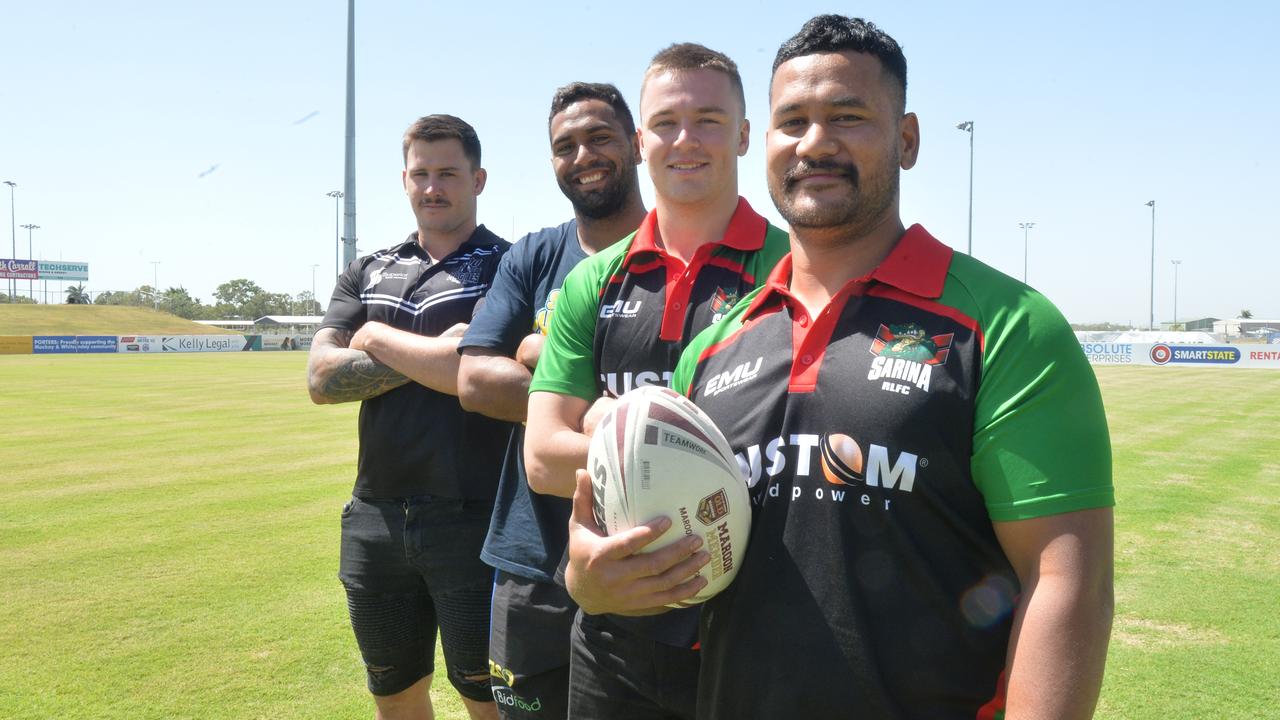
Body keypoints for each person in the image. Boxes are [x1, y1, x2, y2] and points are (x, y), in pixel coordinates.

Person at [565, 15, 1116, 719]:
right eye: (792, 121)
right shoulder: (718, 344)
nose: (814, 143)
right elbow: (684, 541)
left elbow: (1066, 579)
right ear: (765, 144)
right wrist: (594, 581)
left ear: (906, 139)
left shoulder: (1008, 327)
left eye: (847, 117)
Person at [525, 44, 790, 720]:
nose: (686, 140)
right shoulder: (593, 280)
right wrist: (641, 433)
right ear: (642, 140)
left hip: (755, 630)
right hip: (616, 634)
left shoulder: (794, 268)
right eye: (666, 122)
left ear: (743, 134)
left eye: (708, 119)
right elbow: (542, 457)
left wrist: (612, 423)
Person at [454, 81, 648, 719]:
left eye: (599, 137)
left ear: (638, 144)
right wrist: (589, 391)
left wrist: (540, 354)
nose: (583, 154)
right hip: (531, 559)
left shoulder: (684, 253)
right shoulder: (534, 254)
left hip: (653, 552)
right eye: (565, 145)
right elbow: (476, 380)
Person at [308, 114, 510, 720]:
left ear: (478, 178)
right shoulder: (368, 268)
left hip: (476, 516)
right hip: (376, 517)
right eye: (420, 173)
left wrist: (374, 338)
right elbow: (320, 380)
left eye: (448, 172)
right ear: (403, 179)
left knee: (490, 700)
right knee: (394, 695)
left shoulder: (510, 265)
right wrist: (440, 352)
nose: (433, 186)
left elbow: (470, 375)